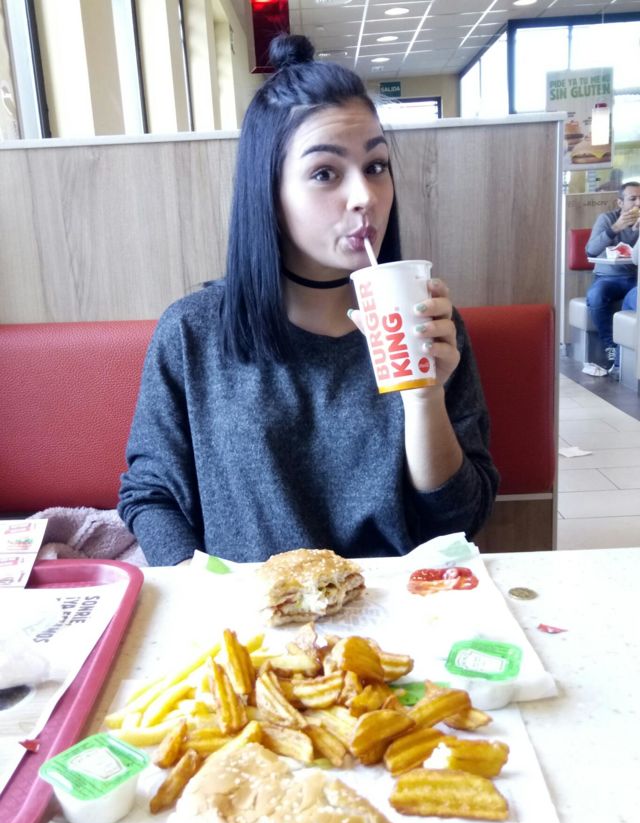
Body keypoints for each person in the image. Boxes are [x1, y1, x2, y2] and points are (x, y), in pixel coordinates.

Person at [118, 34, 499, 567]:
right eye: (325, 173)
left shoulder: (429, 324)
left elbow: (460, 521)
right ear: (269, 194)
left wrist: (424, 399)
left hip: (398, 606)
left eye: (376, 166)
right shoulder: (194, 332)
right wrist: (200, 593)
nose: (365, 196)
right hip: (255, 610)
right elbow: (150, 494)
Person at [585, 181, 640, 370]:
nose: (638, 203)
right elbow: (591, 250)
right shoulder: (607, 219)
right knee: (595, 296)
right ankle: (611, 346)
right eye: (633, 199)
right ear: (620, 203)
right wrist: (615, 228)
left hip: (635, 278)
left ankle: (632, 353)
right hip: (607, 277)